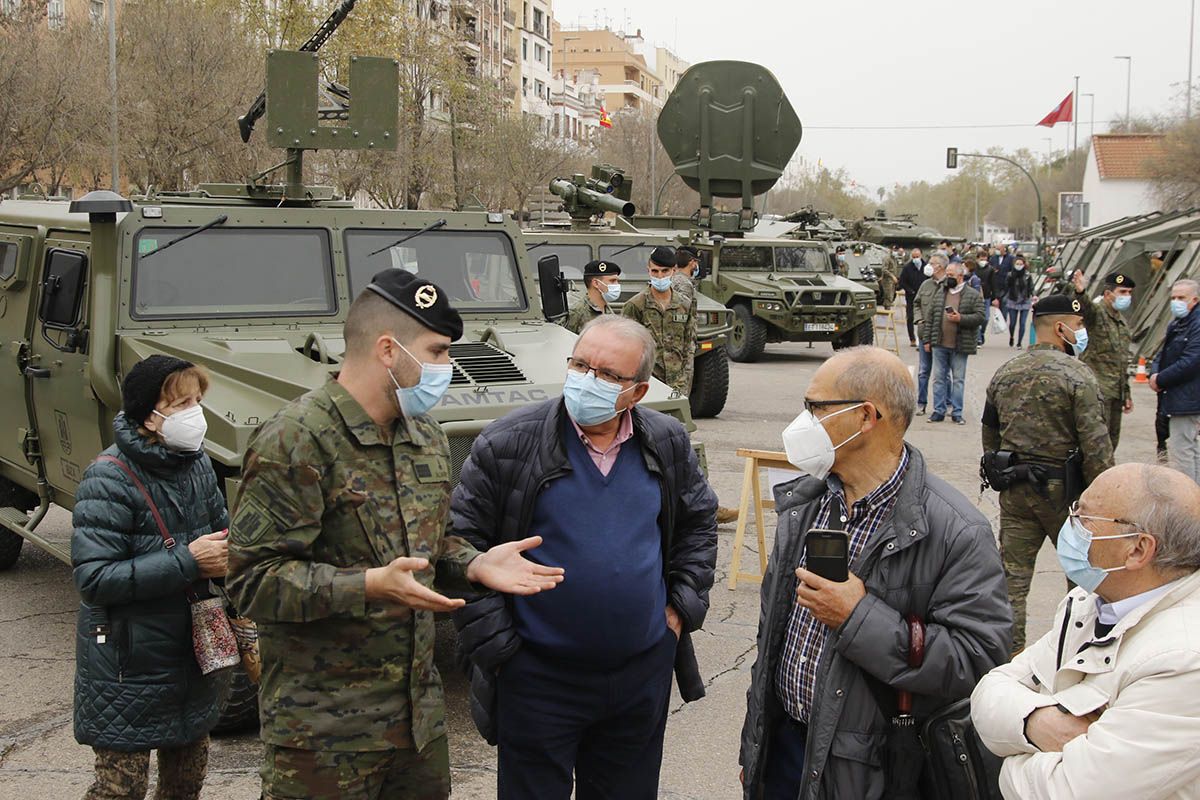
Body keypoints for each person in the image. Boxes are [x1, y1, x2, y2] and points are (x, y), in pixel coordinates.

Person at [227, 271, 564, 800]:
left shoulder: (423, 434)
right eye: (438, 352)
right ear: (389, 349)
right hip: (323, 736)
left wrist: (473, 563)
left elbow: (434, 540)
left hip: (417, 726)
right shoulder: (298, 439)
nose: (447, 368)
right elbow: (251, 580)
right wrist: (367, 585)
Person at [451, 315, 718, 800]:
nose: (587, 380)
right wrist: (501, 650)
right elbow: (458, 548)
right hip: (537, 678)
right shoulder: (507, 442)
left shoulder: (665, 441)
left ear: (636, 393)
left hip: (639, 676)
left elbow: (698, 525)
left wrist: (680, 609)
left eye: (608, 375)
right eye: (580, 364)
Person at [738, 346, 1011, 799]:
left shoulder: (956, 530)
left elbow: (977, 660)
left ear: (865, 417)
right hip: (785, 750)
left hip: (871, 773)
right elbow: (771, 644)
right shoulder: (807, 502)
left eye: (814, 408)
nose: (802, 422)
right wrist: (755, 751)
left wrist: (857, 617)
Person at [972, 463, 1200, 799]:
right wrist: (1035, 723)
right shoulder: (1090, 601)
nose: (1070, 525)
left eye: (1083, 517)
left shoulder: (1183, 659)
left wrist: (1008, 760)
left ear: (1138, 549)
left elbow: (1069, 792)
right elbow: (990, 690)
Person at [72, 355, 230, 800]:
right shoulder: (108, 477)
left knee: (185, 787)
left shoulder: (197, 465)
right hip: (127, 665)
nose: (194, 414)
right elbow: (95, 579)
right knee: (119, 791)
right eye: (181, 403)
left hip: (191, 657)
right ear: (148, 414)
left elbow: (222, 531)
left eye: (197, 401)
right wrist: (189, 561)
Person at [982, 294, 1115, 653]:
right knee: (1084, 578)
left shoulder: (1006, 371)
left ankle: (1009, 657)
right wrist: (1106, 501)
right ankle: (1079, 650)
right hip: (1065, 495)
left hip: (1015, 490)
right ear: (1061, 328)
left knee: (1012, 580)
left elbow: (990, 434)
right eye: (1078, 325)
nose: (1081, 331)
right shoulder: (1078, 375)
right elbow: (1096, 445)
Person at [1068, 270, 1135, 450]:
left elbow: (1122, 361)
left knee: (1112, 442)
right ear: (1107, 294)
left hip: (1115, 393)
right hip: (1097, 390)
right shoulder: (1097, 314)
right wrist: (1080, 292)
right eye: (1122, 292)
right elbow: (1086, 309)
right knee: (1095, 443)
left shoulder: (1122, 323)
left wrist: (1126, 393)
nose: (1127, 297)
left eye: (1129, 293)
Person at [623, 245, 697, 396]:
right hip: (647, 383)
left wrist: (685, 381)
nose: (660, 276)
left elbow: (689, 345)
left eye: (665, 271)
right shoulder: (635, 305)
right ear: (648, 271)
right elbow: (627, 348)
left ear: (674, 271)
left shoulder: (685, 304)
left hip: (678, 383)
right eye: (655, 271)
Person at [921, 261, 986, 424]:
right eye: (947, 275)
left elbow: (980, 317)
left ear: (960, 276)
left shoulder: (972, 294)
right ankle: (938, 410)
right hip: (939, 343)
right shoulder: (940, 293)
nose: (948, 278)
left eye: (951, 275)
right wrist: (927, 340)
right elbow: (931, 318)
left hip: (960, 345)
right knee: (938, 378)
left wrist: (961, 318)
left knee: (958, 379)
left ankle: (957, 412)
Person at [1151, 279, 1200, 483]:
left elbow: (1192, 360)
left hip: (1187, 398)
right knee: (1189, 448)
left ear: (1194, 300)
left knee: (1183, 451)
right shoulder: (1179, 323)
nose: (1176, 302)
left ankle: (1187, 501)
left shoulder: (1196, 325)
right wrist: (1155, 374)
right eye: (1173, 298)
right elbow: (1161, 354)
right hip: (1177, 396)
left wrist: (1161, 379)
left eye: (1181, 298)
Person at [911, 253, 948, 415]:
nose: (929, 265)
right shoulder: (926, 285)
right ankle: (921, 402)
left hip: (942, 335)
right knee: (923, 371)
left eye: (933, 263)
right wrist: (919, 320)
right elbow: (917, 303)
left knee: (943, 373)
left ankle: (947, 403)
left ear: (941, 267)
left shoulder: (949, 285)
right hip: (924, 332)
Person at [563, 259, 621, 334]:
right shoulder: (576, 312)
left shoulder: (608, 311)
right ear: (596, 283)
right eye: (612, 281)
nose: (617, 285)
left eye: (617, 281)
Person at [1002, 256, 1035, 348]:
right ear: (1014, 264)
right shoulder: (1010, 275)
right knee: (1012, 323)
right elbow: (1006, 287)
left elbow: (1031, 287)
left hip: (1025, 300)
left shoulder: (1028, 275)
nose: (1019, 266)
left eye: (1021, 264)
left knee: (1022, 323)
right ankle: (1012, 336)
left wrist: (1034, 295)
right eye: (1017, 264)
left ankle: (1019, 342)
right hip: (1013, 300)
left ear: (1024, 265)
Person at [898, 247, 927, 346]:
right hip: (911, 297)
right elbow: (902, 282)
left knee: (924, 317)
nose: (916, 259)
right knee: (910, 317)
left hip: (924, 297)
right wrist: (910, 290)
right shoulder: (907, 267)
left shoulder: (927, 266)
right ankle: (912, 339)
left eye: (917, 257)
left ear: (921, 255)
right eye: (914, 257)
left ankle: (924, 338)